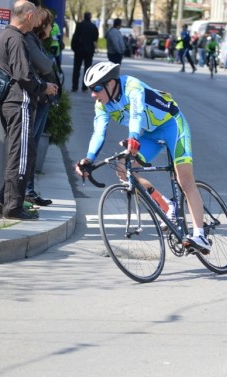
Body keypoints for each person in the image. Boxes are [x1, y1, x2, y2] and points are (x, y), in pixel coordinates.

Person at [75, 62, 211, 254]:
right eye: (90, 89)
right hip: (150, 134)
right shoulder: (102, 105)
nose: (93, 94)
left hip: (172, 125)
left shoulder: (132, 86)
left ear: (111, 83)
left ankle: (200, 235)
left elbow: (137, 113)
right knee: (123, 170)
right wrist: (88, 159)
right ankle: (167, 207)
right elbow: (99, 132)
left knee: (184, 179)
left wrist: (133, 137)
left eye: (96, 88)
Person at [0, 0, 58, 220]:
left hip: (10, 102)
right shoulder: (17, 39)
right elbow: (24, 75)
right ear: (29, 16)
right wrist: (44, 87)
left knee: (19, 154)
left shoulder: (6, 36)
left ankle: (7, 199)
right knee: (21, 157)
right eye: (37, 15)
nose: (39, 20)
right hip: (19, 102)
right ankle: (13, 207)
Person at [23, 4, 58, 207]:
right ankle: (27, 191)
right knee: (31, 146)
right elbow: (44, 65)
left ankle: (29, 190)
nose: (51, 28)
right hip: (38, 96)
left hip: (43, 98)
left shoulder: (35, 40)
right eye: (50, 24)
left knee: (33, 146)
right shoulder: (29, 40)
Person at [71, 11, 98, 92]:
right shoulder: (93, 26)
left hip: (79, 50)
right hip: (89, 50)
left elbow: (75, 37)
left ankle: (75, 86)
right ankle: (85, 86)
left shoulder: (79, 25)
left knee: (76, 68)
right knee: (87, 69)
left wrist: (74, 48)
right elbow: (95, 38)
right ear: (90, 17)